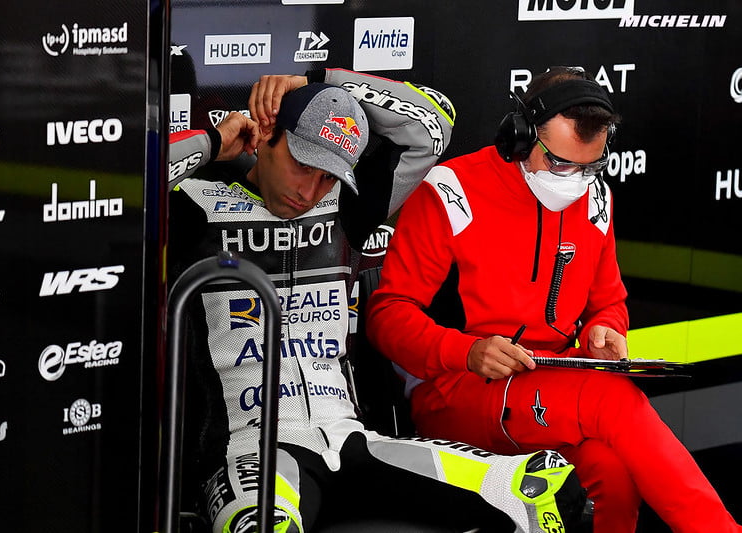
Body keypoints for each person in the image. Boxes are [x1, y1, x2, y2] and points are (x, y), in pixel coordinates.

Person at [167, 67, 592, 533]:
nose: (309, 192)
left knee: (545, 489)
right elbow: (124, 175)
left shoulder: (346, 207)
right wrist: (212, 142)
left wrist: (319, 79)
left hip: (349, 440)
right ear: (268, 134)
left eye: (328, 177)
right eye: (302, 165)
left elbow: (432, 124)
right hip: (251, 450)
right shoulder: (194, 205)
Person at [366, 66, 742, 533]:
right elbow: (386, 316)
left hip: (552, 386)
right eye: (560, 163)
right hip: (456, 389)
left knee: (612, 474)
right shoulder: (452, 191)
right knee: (613, 401)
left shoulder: (594, 198)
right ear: (520, 138)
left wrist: (606, 329)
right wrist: (468, 350)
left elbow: (609, 302)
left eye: (589, 166)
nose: (573, 179)